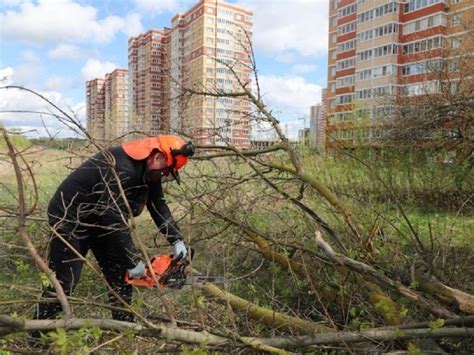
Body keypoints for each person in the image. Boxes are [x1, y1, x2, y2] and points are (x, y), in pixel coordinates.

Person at [35, 135, 195, 323]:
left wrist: (176, 239)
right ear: (158, 157)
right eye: (167, 170)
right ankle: (37, 336)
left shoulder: (149, 171)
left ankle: (124, 328)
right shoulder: (122, 168)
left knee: (121, 278)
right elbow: (113, 218)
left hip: (101, 219)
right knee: (66, 280)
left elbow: (158, 205)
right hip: (70, 218)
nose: (166, 174)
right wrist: (132, 260)